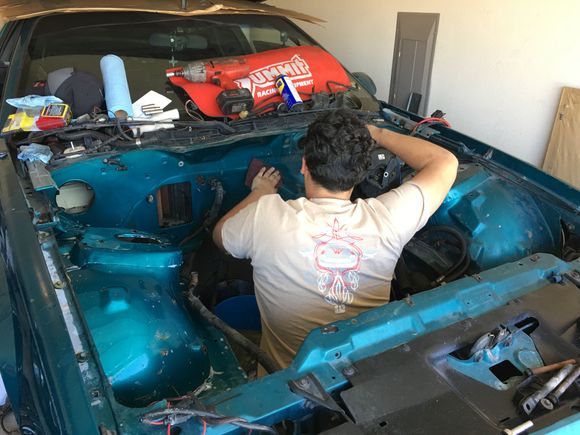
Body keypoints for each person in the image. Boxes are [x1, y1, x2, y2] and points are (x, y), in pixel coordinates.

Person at [213, 109, 458, 372]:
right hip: (361, 380)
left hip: (285, 389)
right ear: (361, 171)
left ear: (304, 164)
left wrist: (260, 192)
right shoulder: (388, 219)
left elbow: (221, 235)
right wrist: (376, 132)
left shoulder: (265, 216)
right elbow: (445, 162)